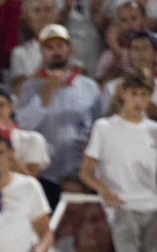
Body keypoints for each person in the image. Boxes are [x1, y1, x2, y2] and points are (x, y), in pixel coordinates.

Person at [80, 72, 157, 252]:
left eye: (144, 94)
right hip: (121, 207)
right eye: (134, 93)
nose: (139, 99)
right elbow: (86, 171)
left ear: (150, 96)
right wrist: (103, 190)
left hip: (153, 208)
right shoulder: (104, 127)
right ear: (123, 93)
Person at [15, 24, 102, 208]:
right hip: (46, 174)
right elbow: (22, 127)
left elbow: (99, 125)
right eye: (49, 47)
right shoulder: (29, 88)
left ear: (69, 49)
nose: (55, 51)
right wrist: (44, 95)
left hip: (83, 173)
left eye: (60, 46)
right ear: (42, 52)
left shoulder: (89, 86)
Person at [101, 31, 157, 122]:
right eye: (136, 49)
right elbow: (104, 125)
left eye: (145, 48)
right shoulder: (111, 87)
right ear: (129, 54)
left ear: (155, 54)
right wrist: (115, 102)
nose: (141, 53)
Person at [10, 0, 60, 92]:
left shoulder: (71, 47)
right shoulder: (20, 53)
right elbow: (18, 90)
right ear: (29, 18)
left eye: (48, 9)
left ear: (56, 15)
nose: (43, 15)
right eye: (37, 10)